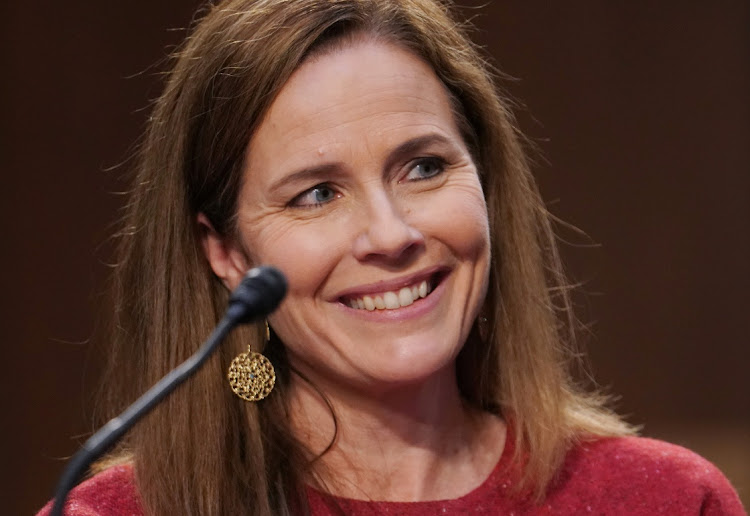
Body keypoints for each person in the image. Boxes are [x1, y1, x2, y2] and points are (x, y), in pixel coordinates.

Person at [40, 0, 745, 515]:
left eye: (424, 167)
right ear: (224, 252)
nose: (390, 233)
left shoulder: (666, 501)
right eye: (317, 194)